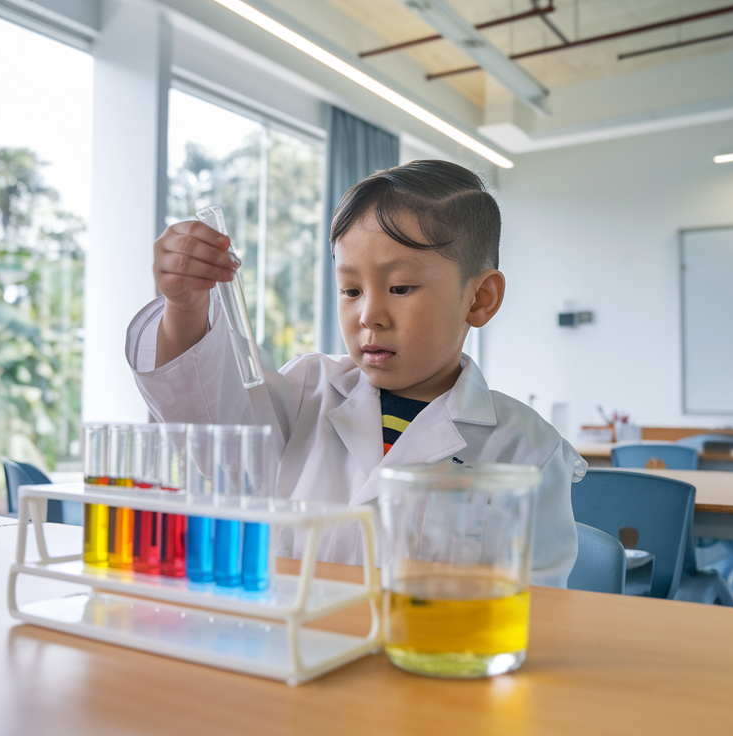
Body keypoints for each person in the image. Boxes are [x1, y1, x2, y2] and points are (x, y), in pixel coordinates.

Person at [126, 160, 585, 587]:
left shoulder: (528, 450)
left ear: (480, 298)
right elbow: (205, 419)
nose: (369, 315)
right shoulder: (307, 391)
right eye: (350, 289)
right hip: (291, 653)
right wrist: (185, 307)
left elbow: (538, 610)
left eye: (400, 287)